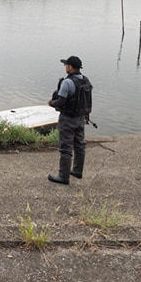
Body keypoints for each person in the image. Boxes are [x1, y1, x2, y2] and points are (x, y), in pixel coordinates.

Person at [46, 55, 93, 185]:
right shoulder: (86, 80)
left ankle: (63, 176)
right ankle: (77, 171)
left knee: (66, 147)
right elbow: (87, 100)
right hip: (80, 118)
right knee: (79, 145)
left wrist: (51, 103)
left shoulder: (67, 82)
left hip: (67, 119)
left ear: (70, 67)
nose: (65, 67)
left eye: (66, 65)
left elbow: (61, 101)